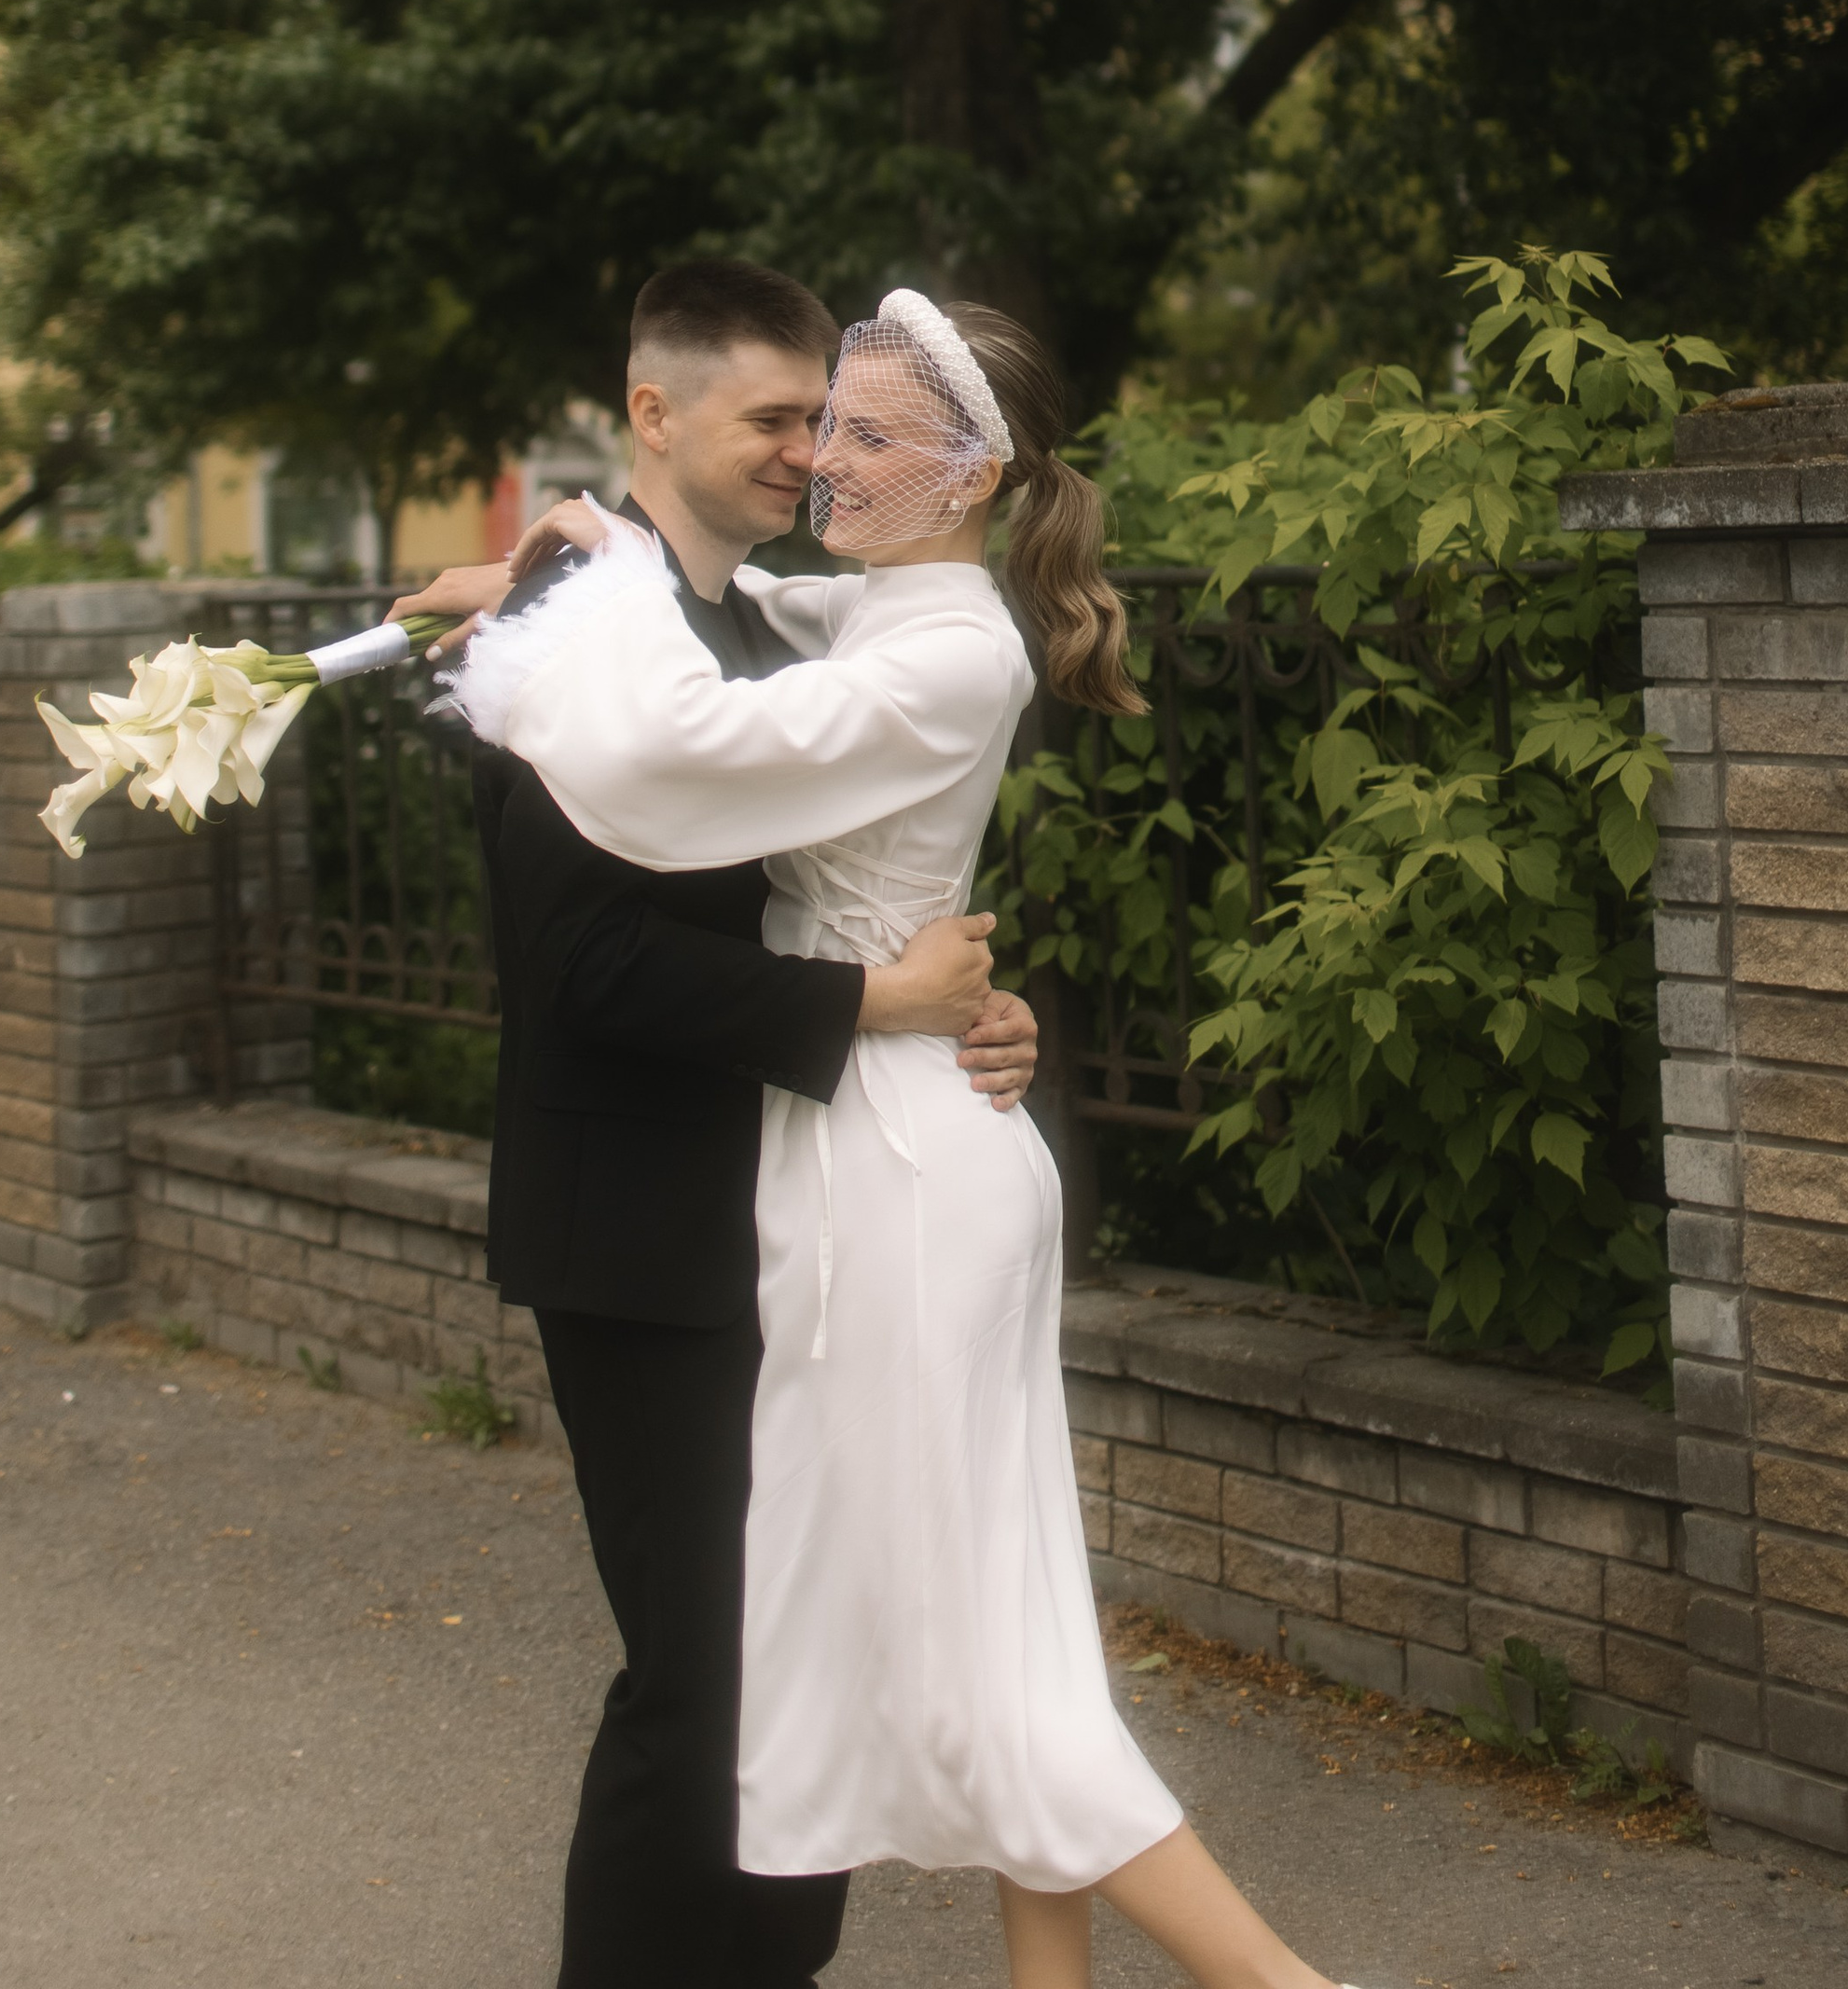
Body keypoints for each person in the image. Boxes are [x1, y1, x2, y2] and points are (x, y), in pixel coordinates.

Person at [460, 289, 1360, 1989]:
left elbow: (678, 739)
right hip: (873, 1142)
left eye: (864, 434)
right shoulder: (863, 615)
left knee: (953, 1657)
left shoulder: (930, 643)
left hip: (899, 1175)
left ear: (971, 472)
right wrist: (524, 583)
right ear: (658, 415)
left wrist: (593, 557)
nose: (825, 464)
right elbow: (743, 646)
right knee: (980, 1626)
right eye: (811, 427)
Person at [394, 259, 1040, 1989]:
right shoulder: (574, 641)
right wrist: (866, 1011)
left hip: (787, 1210)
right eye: (776, 418)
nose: (806, 454)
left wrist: (957, 1005)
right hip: (639, 1226)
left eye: (825, 420)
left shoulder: (758, 630)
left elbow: (825, 888)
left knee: (796, 1662)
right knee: (699, 1682)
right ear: (653, 416)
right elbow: (591, 964)